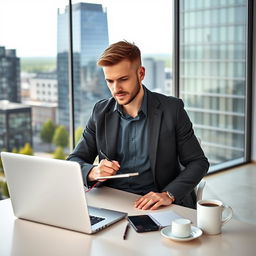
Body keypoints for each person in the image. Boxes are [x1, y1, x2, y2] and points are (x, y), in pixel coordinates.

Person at [67, 41, 209, 210]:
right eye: (109, 81)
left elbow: (198, 162)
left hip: (158, 203)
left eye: (123, 79)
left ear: (141, 73)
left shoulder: (172, 110)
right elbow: (74, 160)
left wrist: (168, 194)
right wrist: (92, 172)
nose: (116, 88)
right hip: (111, 201)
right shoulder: (100, 112)